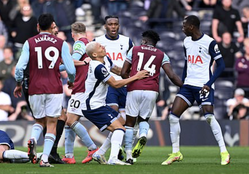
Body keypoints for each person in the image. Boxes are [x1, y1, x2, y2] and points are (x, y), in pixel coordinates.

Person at [161, 15, 230, 166]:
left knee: (209, 117)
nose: (182, 28)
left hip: (203, 86)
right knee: (173, 116)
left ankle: (224, 152)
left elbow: (221, 65)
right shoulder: (186, 42)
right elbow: (187, 63)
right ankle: (176, 152)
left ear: (192, 27)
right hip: (188, 85)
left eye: (184, 25)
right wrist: (183, 82)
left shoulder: (209, 42)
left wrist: (209, 83)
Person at [14, 13, 76, 167]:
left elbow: (19, 68)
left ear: (38, 26)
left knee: (39, 120)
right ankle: (45, 159)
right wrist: (71, 81)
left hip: (35, 87)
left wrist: (18, 83)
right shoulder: (60, 43)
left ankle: (33, 139)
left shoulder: (29, 43)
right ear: (52, 26)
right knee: (52, 124)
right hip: (54, 88)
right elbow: (71, 69)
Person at [120, 30, 183, 164]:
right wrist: (184, 86)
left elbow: (123, 72)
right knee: (143, 119)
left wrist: (131, 80)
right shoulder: (162, 55)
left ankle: (129, 156)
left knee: (130, 123)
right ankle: (143, 135)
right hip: (151, 90)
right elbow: (171, 75)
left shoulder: (134, 50)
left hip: (134, 89)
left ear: (144, 41)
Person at [81, 41, 148, 165]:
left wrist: (133, 72)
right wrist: (136, 77)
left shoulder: (105, 59)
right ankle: (113, 158)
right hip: (93, 106)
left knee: (121, 124)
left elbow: (117, 70)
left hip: (99, 104)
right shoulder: (97, 67)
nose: (104, 47)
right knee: (119, 129)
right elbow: (115, 84)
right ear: (95, 54)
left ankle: (100, 153)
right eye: (100, 47)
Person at [61, 22, 98, 164]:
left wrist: (54, 68)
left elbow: (72, 61)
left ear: (72, 33)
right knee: (68, 122)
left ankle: (92, 148)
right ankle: (69, 155)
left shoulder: (78, 44)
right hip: (82, 85)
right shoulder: (89, 43)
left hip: (81, 87)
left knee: (70, 121)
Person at [94, 15, 134, 116]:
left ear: (119, 26)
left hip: (124, 82)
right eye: (110, 24)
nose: (113, 27)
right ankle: (116, 129)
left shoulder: (127, 41)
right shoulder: (97, 41)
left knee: (127, 116)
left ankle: (122, 131)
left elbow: (134, 60)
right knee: (113, 110)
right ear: (105, 26)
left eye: (115, 24)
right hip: (108, 83)